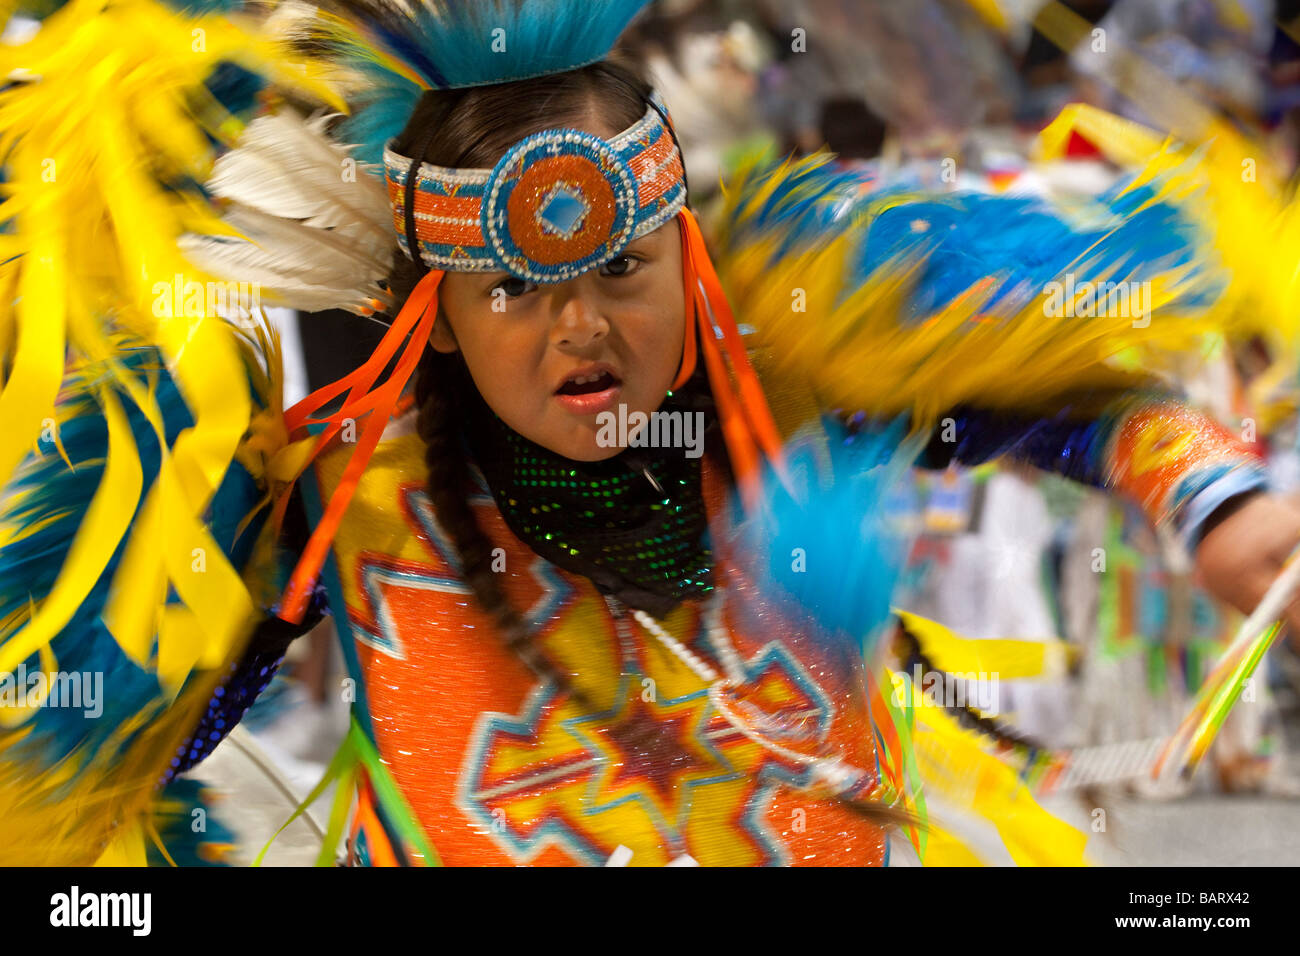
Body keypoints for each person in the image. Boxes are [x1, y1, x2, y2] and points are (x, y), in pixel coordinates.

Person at [3, 0, 1300, 867]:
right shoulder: (353, 489)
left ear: (688, 257)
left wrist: (1222, 508)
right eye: (515, 288)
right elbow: (111, 764)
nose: (581, 332)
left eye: (622, 270)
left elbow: (1069, 397)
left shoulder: (801, 382)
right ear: (439, 318)